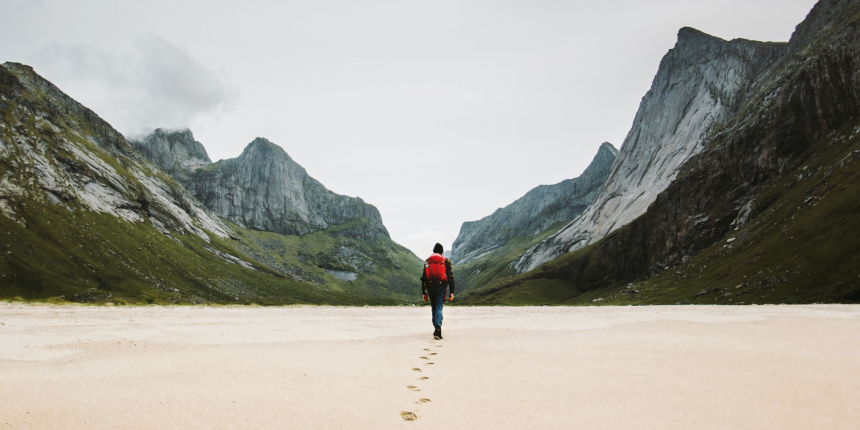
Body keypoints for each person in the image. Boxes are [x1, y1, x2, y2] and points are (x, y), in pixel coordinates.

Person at [421, 243, 455, 339]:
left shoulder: (427, 261)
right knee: (439, 306)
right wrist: (451, 292)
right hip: (441, 286)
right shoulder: (446, 261)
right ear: (442, 251)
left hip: (430, 286)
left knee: (434, 306)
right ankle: (438, 329)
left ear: (433, 251)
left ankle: (435, 326)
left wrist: (424, 292)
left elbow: (424, 277)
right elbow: (451, 277)